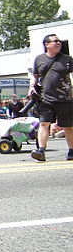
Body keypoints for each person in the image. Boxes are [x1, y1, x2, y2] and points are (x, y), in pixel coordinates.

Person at [28, 33, 73, 162]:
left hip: (65, 99)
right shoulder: (39, 59)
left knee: (68, 126)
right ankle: (41, 150)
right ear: (47, 44)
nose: (58, 43)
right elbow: (35, 75)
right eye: (55, 41)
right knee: (43, 123)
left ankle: (71, 151)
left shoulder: (67, 59)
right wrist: (32, 86)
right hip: (45, 98)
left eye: (59, 41)